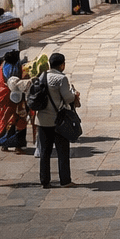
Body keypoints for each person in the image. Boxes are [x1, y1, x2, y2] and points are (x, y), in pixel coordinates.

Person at [38, 51, 80, 188]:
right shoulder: (61, 79)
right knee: (62, 151)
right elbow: (68, 98)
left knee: (45, 151)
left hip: (42, 120)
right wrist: (74, 94)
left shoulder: (42, 76)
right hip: (58, 120)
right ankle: (65, 180)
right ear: (62, 65)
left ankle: (44, 180)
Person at [0, 52, 30, 151]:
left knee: (4, 119)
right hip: (18, 97)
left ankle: (4, 145)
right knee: (20, 119)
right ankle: (18, 147)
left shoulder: (2, 67)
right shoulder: (20, 68)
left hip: (3, 96)